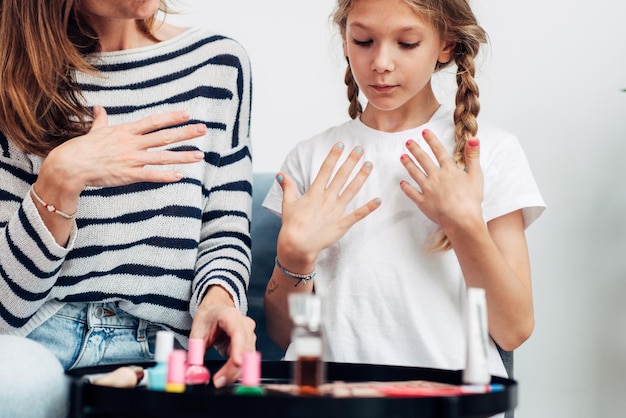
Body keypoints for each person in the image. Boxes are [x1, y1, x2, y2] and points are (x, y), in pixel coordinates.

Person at [263, 0, 545, 384]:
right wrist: (294, 256)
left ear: (445, 45)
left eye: (407, 43)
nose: (381, 62)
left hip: (451, 402)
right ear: (345, 39)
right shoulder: (310, 158)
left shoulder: (491, 152)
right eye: (363, 40)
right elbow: (284, 336)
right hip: (331, 402)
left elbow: (514, 330)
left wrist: (463, 224)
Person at [0, 1, 255, 416]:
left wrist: (218, 301)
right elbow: (6, 306)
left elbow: (223, 230)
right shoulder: (11, 74)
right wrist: (59, 179)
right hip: (40, 342)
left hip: (163, 353)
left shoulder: (218, 64)